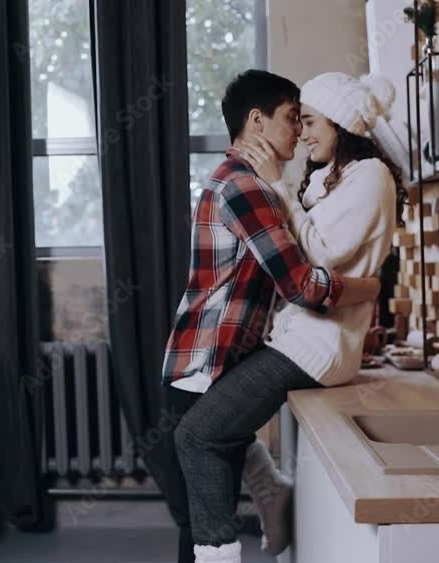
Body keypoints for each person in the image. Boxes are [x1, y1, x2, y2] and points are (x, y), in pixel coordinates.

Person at [174, 72, 406, 563]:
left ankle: (256, 513)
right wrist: (365, 288)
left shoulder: (360, 176)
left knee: (198, 440)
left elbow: (309, 269)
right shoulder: (258, 183)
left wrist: (364, 287)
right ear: (258, 122)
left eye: (310, 120)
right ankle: (269, 500)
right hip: (269, 342)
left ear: (342, 124)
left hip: (306, 345)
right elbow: (304, 279)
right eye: (295, 119)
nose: (301, 132)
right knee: (206, 447)